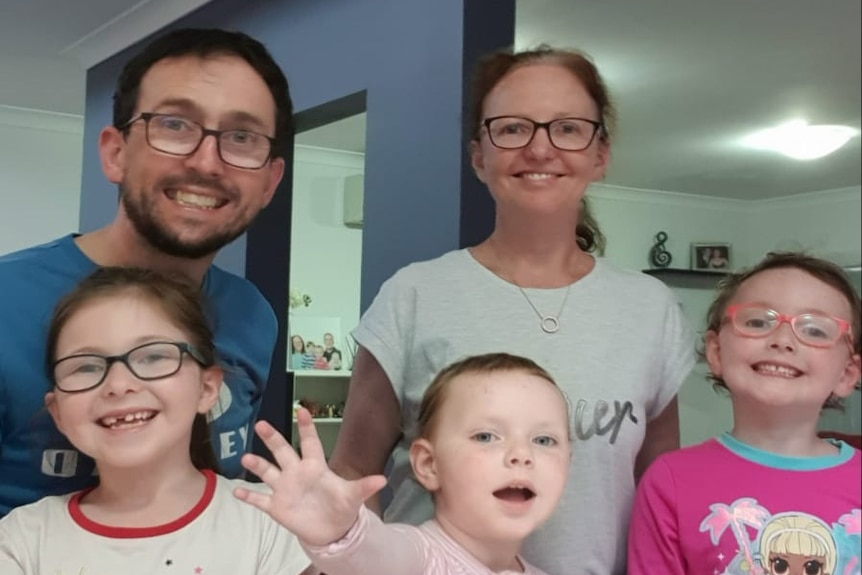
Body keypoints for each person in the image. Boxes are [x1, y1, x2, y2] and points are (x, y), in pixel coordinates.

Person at [328, 45, 695, 574]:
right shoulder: (414, 295)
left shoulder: (650, 308)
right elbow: (354, 475)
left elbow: (662, 487)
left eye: (568, 128)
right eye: (513, 128)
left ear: (601, 154)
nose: (540, 148)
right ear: (480, 154)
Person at [0, 27, 292, 516]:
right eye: (175, 125)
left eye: (241, 137)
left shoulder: (252, 317)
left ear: (269, 182)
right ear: (116, 152)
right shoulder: (8, 303)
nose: (207, 162)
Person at [0, 267, 312, 574]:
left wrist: (342, 544)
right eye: (86, 367)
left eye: (152, 357)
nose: (119, 384)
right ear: (58, 412)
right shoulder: (22, 538)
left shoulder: (272, 519)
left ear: (207, 388)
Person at [628, 252, 862, 575]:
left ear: (847, 374)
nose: (782, 340)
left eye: (815, 330)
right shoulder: (669, 482)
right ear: (716, 352)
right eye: (758, 321)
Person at [237, 353, 571, 574]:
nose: (521, 455)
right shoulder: (418, 558)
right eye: (486, 436)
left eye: (544, 440)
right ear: (428, 464)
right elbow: (373, 555)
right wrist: (340, 531)